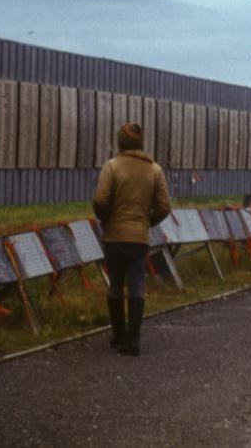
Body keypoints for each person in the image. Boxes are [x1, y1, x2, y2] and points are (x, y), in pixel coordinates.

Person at [93, 123, 171, 355]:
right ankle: (133, 340)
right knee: (137, 285)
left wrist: (106, 219)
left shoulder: (112, 167)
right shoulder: (154, 170)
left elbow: (100, 200)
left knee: (115, 285)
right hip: (139, 237)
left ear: (120, 143)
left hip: (114, 236)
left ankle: (118, 335)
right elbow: (164, 206)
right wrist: (146, 222)